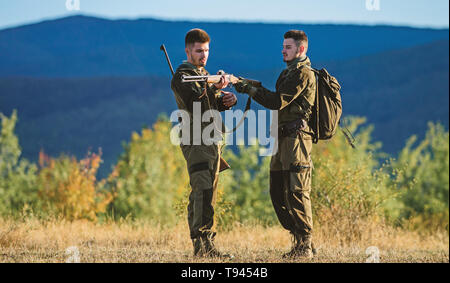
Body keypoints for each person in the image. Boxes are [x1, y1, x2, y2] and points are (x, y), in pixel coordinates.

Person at [234, 30, 316, 258]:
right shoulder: (287, 73)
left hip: (297, 139)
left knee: (297, 191)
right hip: (281, 139)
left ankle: (305, 245)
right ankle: (298, 239)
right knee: (278, 192)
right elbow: (274, 97)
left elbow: (277, 101)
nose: (283, 50)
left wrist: (247, 88)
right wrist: (242, 82)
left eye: (288, 47)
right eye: (283, 46)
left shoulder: (303, 74)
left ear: (300, 49)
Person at [170, 28, 237, 258]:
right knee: (203, 191)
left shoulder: (203, 74)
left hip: (210, 140)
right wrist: (214, 86)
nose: (204, 55)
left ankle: (203, 245)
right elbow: (194, 101)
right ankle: (203, 245)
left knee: (207, 190)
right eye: (199, 50)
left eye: (206, 50)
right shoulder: (183, 75)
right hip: (196, 139)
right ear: (188, 51)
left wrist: (227, 100)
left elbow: (211, 104)